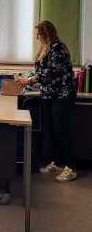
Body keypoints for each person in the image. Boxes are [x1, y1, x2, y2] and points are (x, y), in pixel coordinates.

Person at [16, 20, 77, 182]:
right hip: (48, 95)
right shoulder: (45, 48)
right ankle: (58, 163)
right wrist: (31, 80)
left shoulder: (58, 47)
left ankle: (71, 168)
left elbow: (50, 71)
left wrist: (30, 80)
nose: (37, 38)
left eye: (38, 34)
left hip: (62, 95)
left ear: (46, 33)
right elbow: (41, 70)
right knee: (52, 129)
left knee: (61, 130)